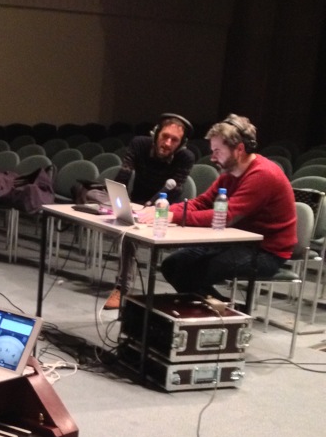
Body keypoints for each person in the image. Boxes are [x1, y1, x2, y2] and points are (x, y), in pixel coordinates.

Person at [137, 114, 296, 299]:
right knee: (172, 265)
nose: (212, 157)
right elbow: (201, 203)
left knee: (194, 272)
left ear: (240, 149)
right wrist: (162, 211)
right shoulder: (230, 172)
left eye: (218, 151)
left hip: (266, 251)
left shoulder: (263, 175)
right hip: (235, 242)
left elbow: (226, 216)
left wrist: (172, 217)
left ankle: (225, 316)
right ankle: (219, 310)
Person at [101, 113, 195, 309]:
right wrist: (117, 200)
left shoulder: (185, 157)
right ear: (155, 135)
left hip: (165, 209)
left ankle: (122, 288)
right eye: (164, 137)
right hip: (137, 202)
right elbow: (124, 173)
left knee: (130, 235)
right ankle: (123, 287)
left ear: (182, 143)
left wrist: (151, 209)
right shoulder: (139, 144)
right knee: (127, 231)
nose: (168, 143)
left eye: (174, 140)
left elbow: (174, 190)